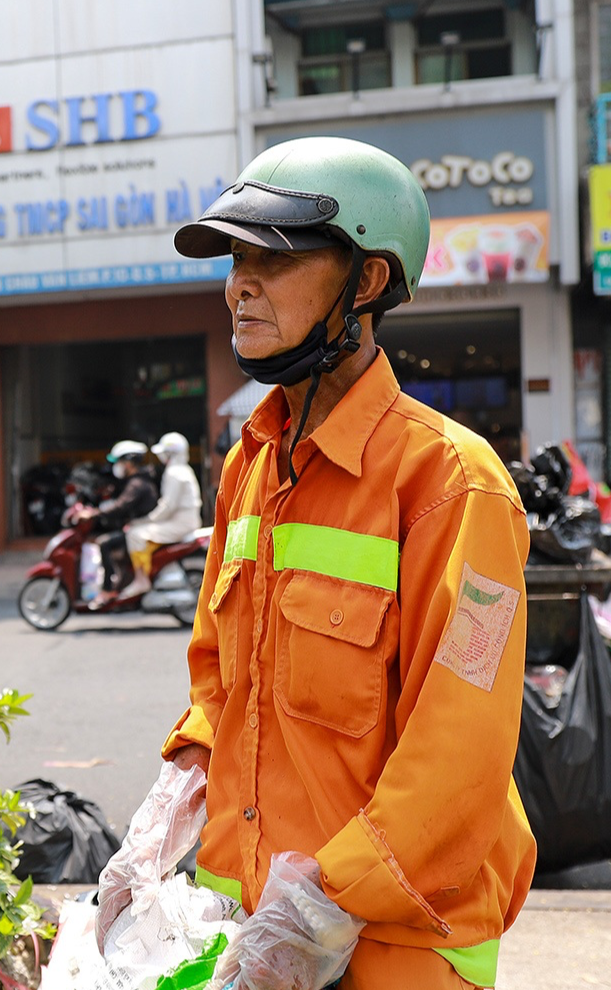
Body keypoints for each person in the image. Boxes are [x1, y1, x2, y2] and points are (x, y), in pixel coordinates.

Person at [159, 136, 534, 988]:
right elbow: (220, 677)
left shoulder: (452, 482)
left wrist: (320, 908)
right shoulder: (245, 465)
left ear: (365, 282)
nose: (238, 284)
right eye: (234, 258)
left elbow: (461, 744)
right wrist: (176, 791)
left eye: (273, 258)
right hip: (249, 930)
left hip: (391, 948)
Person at [76, 440, 159, 601]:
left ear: (129, 463)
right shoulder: (137, 480)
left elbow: (121, 506)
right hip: (137, 526)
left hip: (141, 528)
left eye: (120, 462)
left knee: (104, 543)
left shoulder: (137, 484)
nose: (118, 466)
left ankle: (107, 590)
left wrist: (94, 514)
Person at [122, 432, 202, 597]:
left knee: (134, 535)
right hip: (185, 521)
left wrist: (146, 520)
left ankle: (141, 580)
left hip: (180, 524)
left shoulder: (174, 473)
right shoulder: (183, 470)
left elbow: (167, 507)